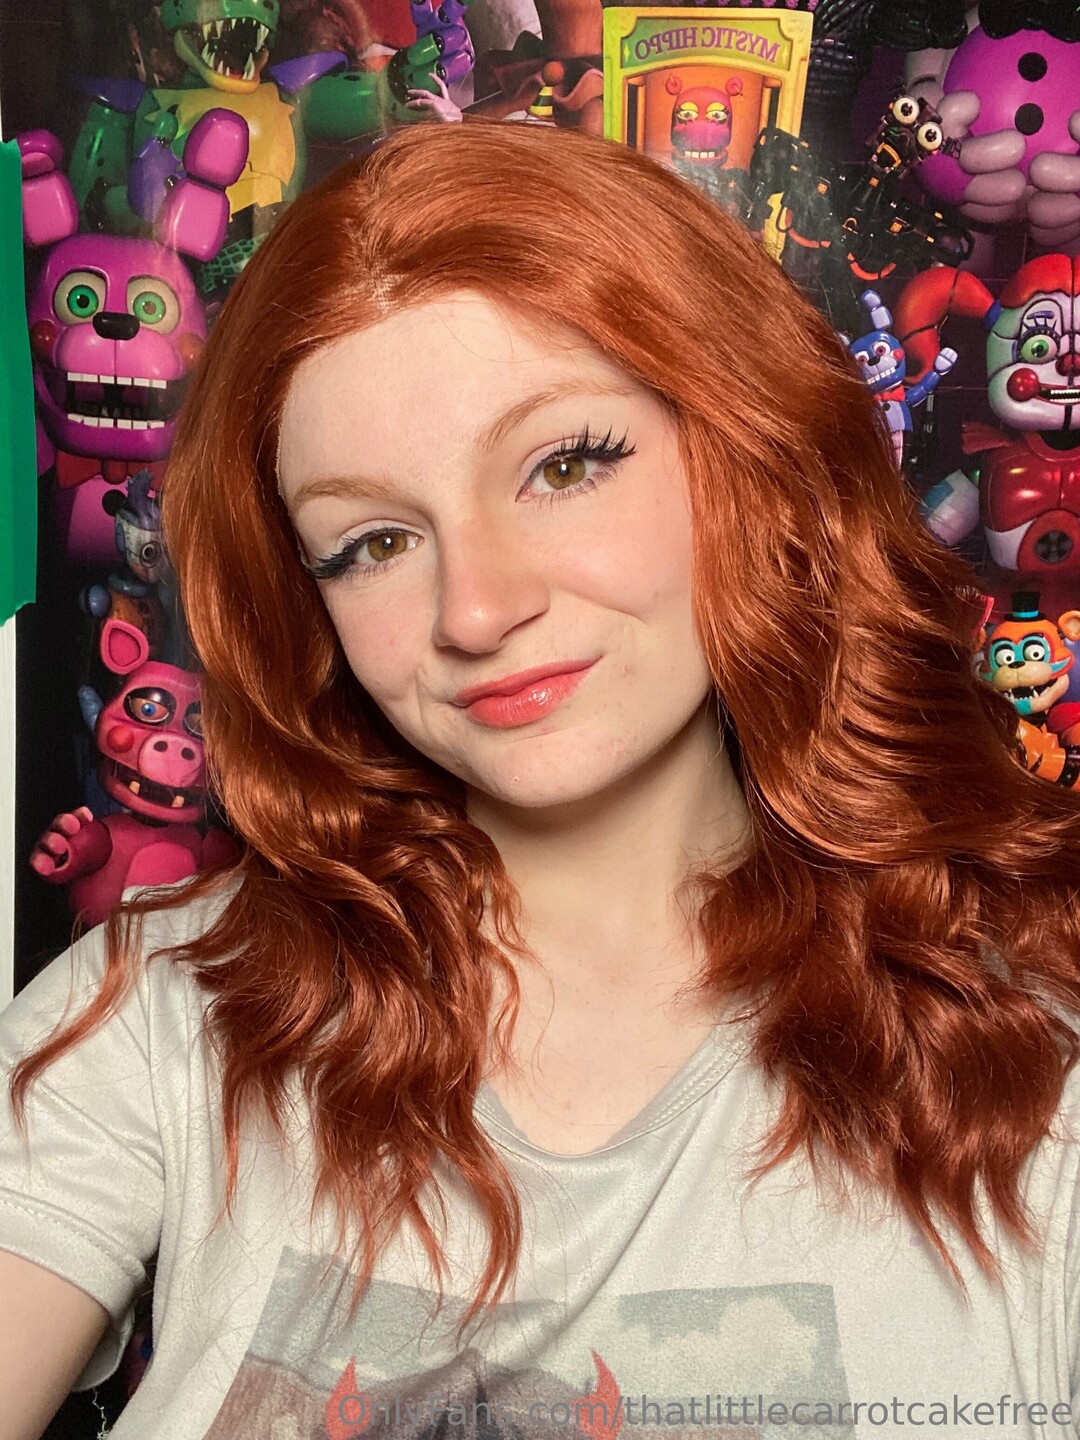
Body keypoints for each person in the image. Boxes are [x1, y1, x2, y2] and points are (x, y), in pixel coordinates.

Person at [3, 119, 1080, 1440]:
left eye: (564, 467)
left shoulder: (1039, 1054)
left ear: (747, 455)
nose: (477, 607)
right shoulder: (166, 1015)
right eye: (373, 542)